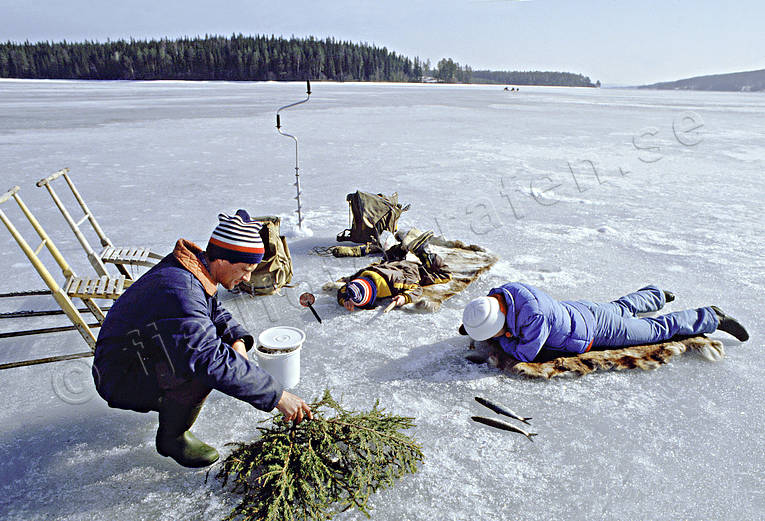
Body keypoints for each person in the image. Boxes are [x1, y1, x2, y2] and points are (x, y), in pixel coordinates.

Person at [92, 210, 312, 468]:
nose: (248, 278)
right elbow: (208, 358)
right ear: (222, 259)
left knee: (210, 354)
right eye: (245, 269)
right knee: (202, 367)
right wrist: (278, 396)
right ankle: (172, 438)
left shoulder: (194, 269)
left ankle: (172, 412)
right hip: (121, 376)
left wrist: (236, 339)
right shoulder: (180, 290)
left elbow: (214, 310)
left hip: (141, 353)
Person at [460, 282, 749, 363]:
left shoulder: (534, 318)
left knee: (655, 331)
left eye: (494, 331)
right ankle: (656, 294)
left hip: (595, 331)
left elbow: (525, 353)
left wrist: (503, 340)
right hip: (580, 310)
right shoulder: (504, 293)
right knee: (621, 307)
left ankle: (710, 315)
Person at [337, 228, 451, 311]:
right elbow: (344, 288)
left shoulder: (395, 284)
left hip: (408, 269)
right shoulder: (361, 276)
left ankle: (423, 252)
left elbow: (416, 288)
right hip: (387, 265)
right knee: (391, 258)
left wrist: (404, 297)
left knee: (445, 275)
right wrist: (346, 298)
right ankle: (402, 246)